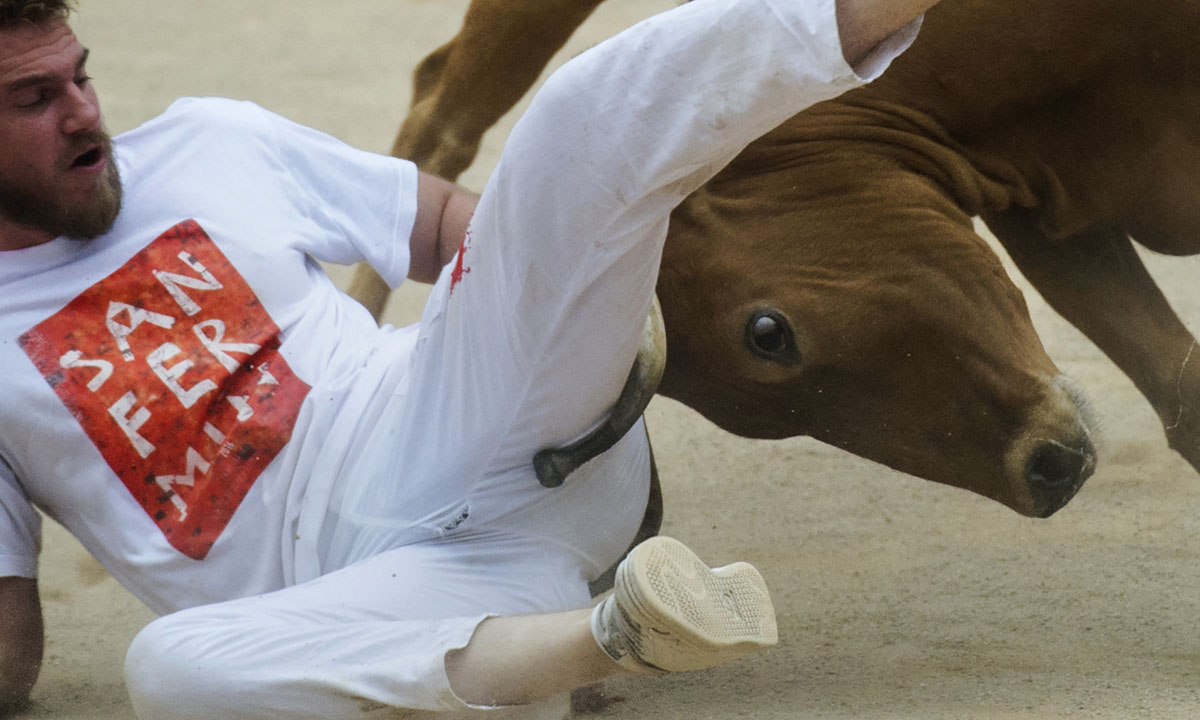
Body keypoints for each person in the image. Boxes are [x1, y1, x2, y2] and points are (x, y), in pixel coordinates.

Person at [0, 0, 936, 716]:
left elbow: (450, 226)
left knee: (577, 116)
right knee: (170, 672)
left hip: (453, 411)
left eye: (79, 77)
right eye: (36, 100)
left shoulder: (209, 141)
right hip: (388, 593)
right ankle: (613, 634)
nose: (84, 113)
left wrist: (559, 296)